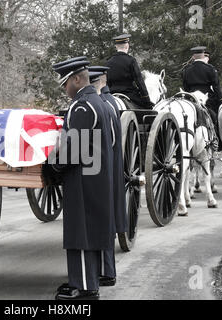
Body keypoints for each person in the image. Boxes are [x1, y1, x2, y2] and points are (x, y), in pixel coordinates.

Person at [50, 57, 116, 300]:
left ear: (76, 79)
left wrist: (53, 165)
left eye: (65, 83)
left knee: (80, 231)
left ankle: (85, 287)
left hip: (82, 178)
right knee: (91, 229)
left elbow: (72, 150)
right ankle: (88, 280)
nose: (64, 89)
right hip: (95, 175)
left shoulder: (81, 107)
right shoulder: (98, 102)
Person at [89, 66, 127, 287]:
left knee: (103, 223)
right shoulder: (109, 103)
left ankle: (106, 271)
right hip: (109, 168)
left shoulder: (103, 104)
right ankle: (106, 270)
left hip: (102, 171)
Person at [183, 46, 222, 150]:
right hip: (207, 99)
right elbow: (216, 87)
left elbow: (185, 87)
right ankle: (217, 141)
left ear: (193, 56)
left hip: (191, 98)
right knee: (216, 117)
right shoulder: (210, 68)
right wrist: (220, 100)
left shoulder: (187, 69)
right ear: (203, 54)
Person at [106, 34, 153, 109]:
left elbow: (106, 82)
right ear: (127, 46)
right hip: (129, 94)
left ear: (116, 47)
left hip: (111, 95)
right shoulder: (131, 60)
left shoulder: (108, 62)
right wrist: (146, 100)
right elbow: (139, 82)